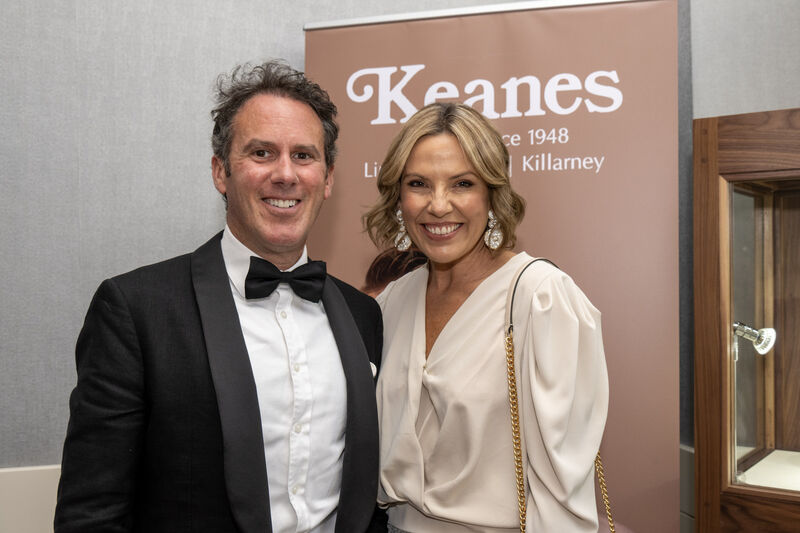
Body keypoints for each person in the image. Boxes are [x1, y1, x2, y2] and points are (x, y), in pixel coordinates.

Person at [55, 61, 384, 533]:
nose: (286, 174)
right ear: (220, 172)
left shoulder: (362, 314)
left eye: (304, 156)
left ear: (328, 178)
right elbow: (92, 513)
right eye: (262, 153)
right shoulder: (135, 309)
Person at [363, 102, 609, 532]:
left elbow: (564, 486)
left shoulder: (541, 298)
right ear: (398, 196)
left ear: (491, 193)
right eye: (418, 183)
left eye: (462, 183)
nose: (438, 206)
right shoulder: (392, 303)